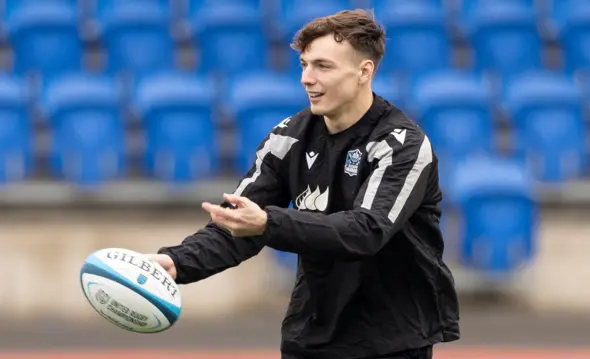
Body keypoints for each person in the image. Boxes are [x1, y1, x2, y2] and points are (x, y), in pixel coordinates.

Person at [148, 9, 460, 359]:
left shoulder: (401, 144)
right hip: (310, 338)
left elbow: (366, 231)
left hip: (392, 342)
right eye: (304, 64)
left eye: (322, 66)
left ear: (364, 71)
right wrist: (174, 262)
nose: (306, 79)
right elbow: (236, 225)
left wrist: (269, 222)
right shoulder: (288, 137)